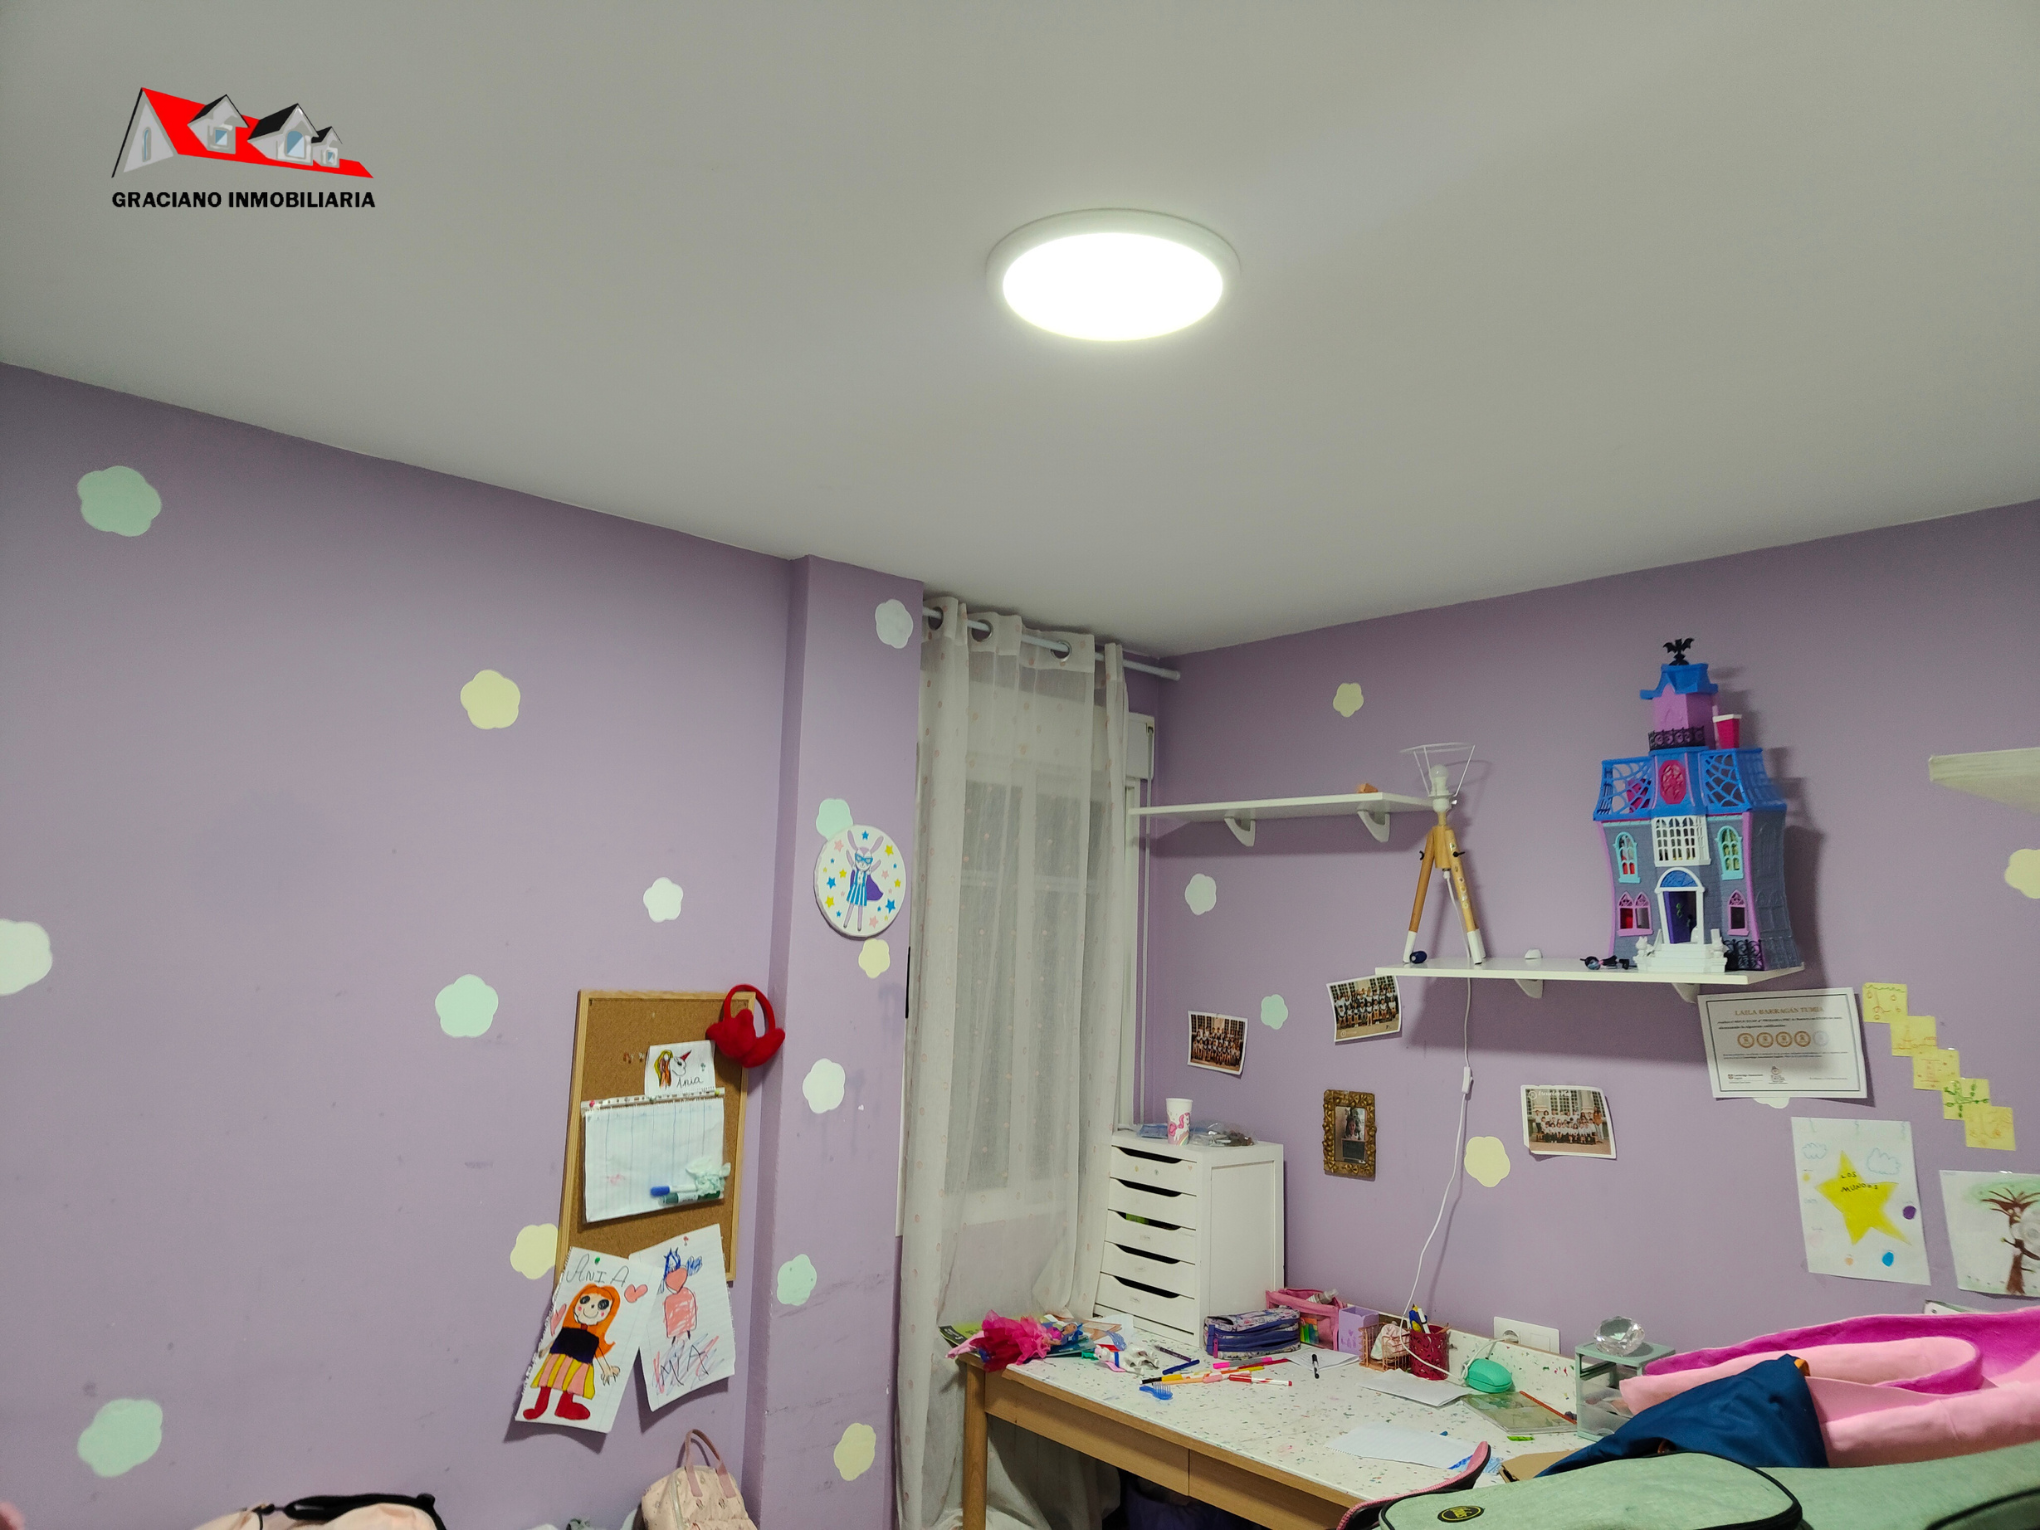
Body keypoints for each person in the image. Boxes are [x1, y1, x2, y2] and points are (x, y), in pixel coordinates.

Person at [523, 1283, 624, 1421]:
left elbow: (598, 1353)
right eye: (585, 1300)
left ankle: (563, 1408)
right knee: (548, 1381)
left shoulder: (594, 1338)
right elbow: (556, 1339)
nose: (591, 1308)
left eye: (602, 1305)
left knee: (571, 1387)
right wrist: (545, 1349)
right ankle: (540, 1408)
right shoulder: (567, 1329)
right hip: (558, 1358)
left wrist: (606, 1368)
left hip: (580, 1363)